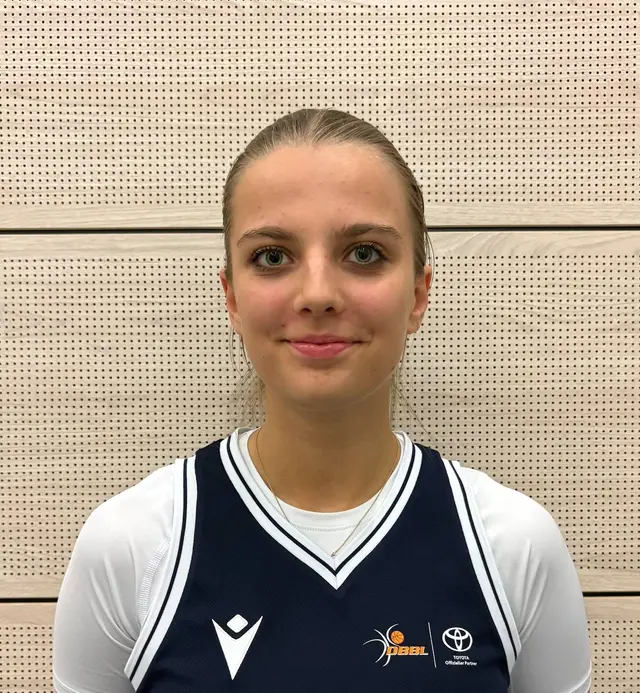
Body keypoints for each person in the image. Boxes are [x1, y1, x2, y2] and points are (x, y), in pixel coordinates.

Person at [53, 108, 592, 693]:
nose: (317, 294)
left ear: (418, 294)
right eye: (272, 256)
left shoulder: (513, 546)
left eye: (364, 253)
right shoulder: (131, 546)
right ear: (231, 298)